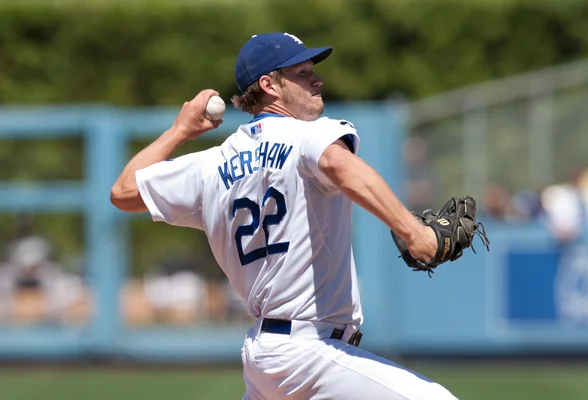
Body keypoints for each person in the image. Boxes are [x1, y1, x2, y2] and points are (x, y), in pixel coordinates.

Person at [111, 32, 457, 400]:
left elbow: (124, 192)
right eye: (303, 71)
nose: (317, 79)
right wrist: (414, 232)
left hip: (266, 358)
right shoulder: (308, 136)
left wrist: (179, 130)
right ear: (268, 84)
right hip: (312, 353)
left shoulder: (210, 166)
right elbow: (338, 164)